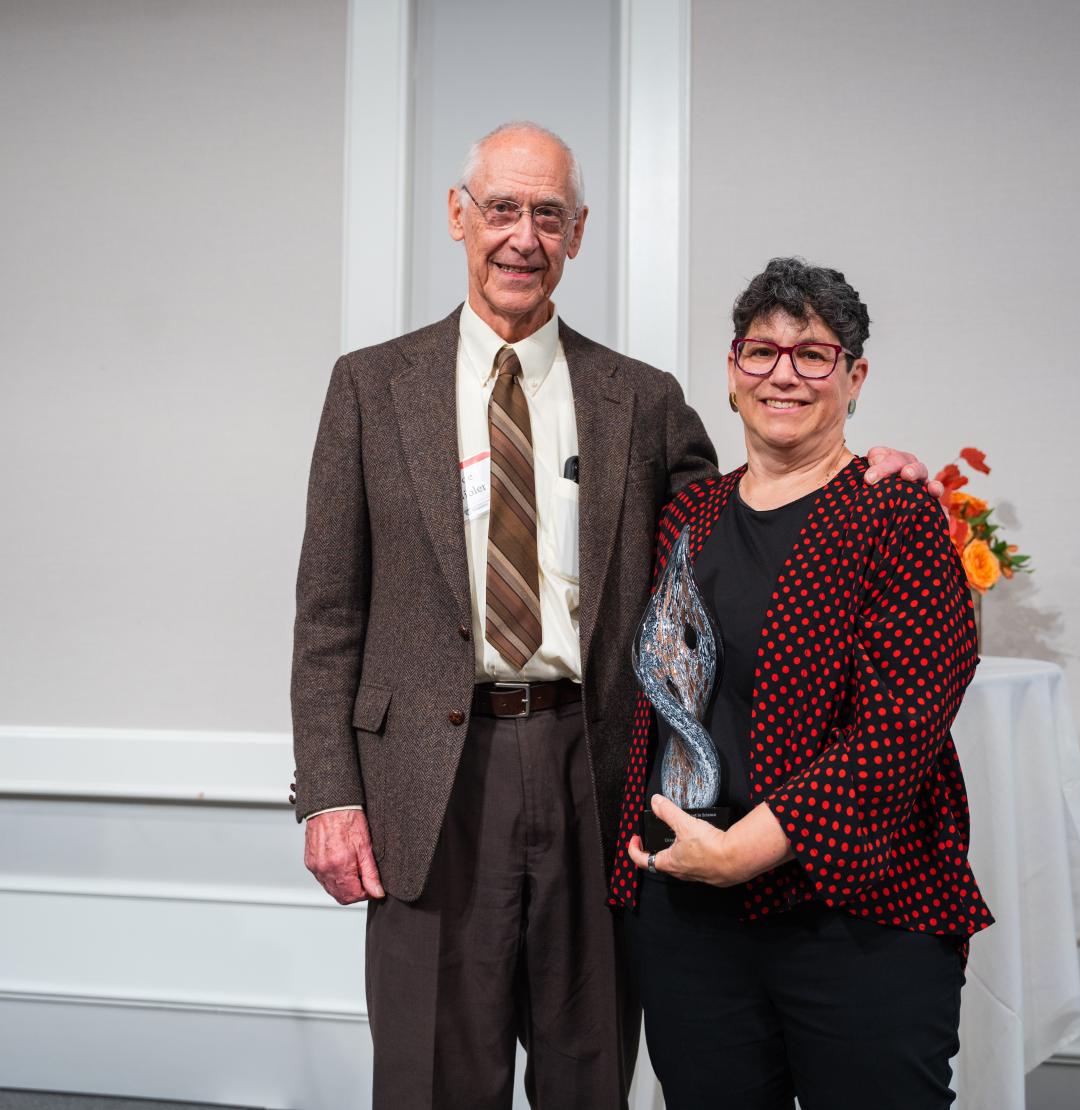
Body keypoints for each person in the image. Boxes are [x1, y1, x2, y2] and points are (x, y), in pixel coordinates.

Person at [290, 123, 935, 1110]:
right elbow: (329, 612)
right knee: (432, 1076)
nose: (522, 235)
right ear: (458, 216)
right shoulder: (372, 387)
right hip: (428, 781)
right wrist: (330, 794)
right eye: (501, 208)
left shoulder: (639, 398)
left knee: (586, 1066)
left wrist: (859, 476)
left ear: (577, 234)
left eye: (547, 215)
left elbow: (736, 522)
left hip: (594, 772)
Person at [611, 257, 995, 1110]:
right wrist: (690, 862)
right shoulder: (689, 514)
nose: (783, 374)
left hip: (856, 913)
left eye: (814, 354)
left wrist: (742, 852)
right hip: (689, 920)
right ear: (732, 371)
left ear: (855, 378)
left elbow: (902, 728)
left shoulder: (897, 513)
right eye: (761, 352)